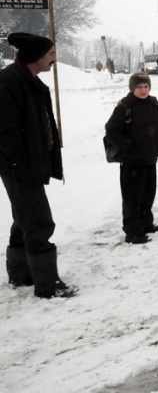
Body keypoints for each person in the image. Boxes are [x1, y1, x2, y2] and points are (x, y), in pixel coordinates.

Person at [0, 32, 77, 298]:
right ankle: (47, 285)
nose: (54, 59)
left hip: (28, 163)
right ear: (36, 57)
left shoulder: (29, 80)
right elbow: (5, 130)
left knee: (24, 217)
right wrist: (19, 161)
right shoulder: (9, 82)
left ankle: (21, 276)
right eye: (51, 54)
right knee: (38, 221)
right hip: (18, 165)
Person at [104, 73, 158, 244]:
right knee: (133, 198)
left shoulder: (154, 104)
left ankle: (146, 223)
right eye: (139, 87)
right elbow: (111, 130)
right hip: (132, 162)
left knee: (148, 193)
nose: (143, 90)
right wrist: (129, 147)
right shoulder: (125, 107)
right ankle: (133, 231)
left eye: (146, 87)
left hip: (150, 158)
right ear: (132, 88)